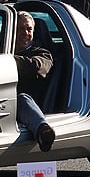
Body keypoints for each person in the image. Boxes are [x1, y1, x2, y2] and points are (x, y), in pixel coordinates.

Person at [14, 11, 55, 152]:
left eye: (29, 29)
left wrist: (6, 61)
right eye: (20, 28)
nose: (25, 32)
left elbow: (35, 67)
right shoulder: (2, 51)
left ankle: (43, 131)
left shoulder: (42, 54)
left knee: (21, 99)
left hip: (27, 104)